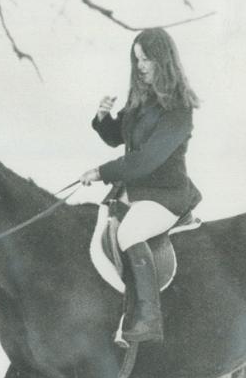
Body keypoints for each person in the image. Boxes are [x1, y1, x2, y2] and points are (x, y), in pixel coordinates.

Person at [79, 27, 202, 342]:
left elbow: (148, 159)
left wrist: (101, 171)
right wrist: (103, 117)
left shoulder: (178, 109)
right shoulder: (141, 100)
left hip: (165, 195)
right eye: (137, 60)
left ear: (163, 60)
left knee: (130, 232)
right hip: (134, 192)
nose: (141, 66)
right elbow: (116, 138)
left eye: (147, 59)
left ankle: (149, 319)